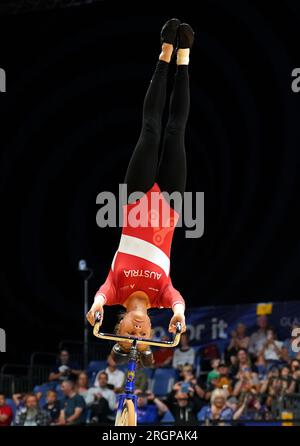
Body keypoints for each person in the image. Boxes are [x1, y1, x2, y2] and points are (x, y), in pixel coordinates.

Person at [86, 18, 195, 359]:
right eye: (145, 334)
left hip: (136, 199)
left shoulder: (115, 291)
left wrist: (95, 306)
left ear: (117, 327)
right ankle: (185, 57)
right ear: (151, 327)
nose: (138, 331)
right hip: (170, 203)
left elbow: (100, 296)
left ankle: (165, 53)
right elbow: (177, 299)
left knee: (150, 129)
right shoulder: (162, 297)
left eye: (130, 335)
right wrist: (178, 314)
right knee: (176, 131)